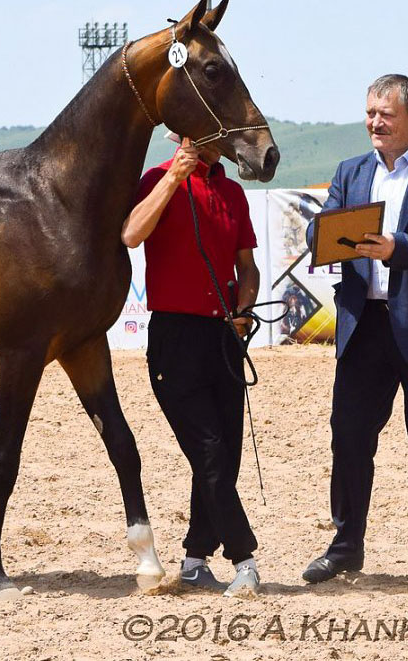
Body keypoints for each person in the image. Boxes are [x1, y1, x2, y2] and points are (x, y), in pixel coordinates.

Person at [301, 74, 408, 590]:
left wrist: (397, 247)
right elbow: (319, 229)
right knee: (349, 440)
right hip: (364, 328)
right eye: (371, 112)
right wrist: (329, 235)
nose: (375, 122)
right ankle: (345, 547)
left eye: (387, 114)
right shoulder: (349, 172)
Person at [121, 134, 261, 596]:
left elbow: (248, 266)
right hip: (175, 337)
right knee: (209, 451)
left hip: (224, 333)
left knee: (227, 454)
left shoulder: (233, 192)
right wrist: (174, 178)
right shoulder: (156, 179)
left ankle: (196, 557)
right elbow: (132, 233)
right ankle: (244, 557)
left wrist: (245, 305)